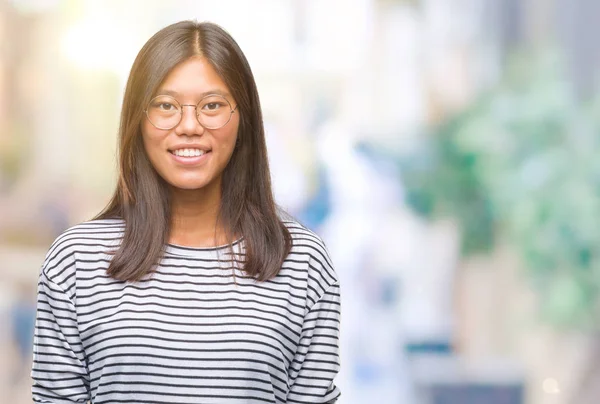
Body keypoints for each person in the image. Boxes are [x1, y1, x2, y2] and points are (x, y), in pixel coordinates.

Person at [31, 20, 341, 404]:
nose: (189, 125)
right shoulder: (75, 261)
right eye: (165, 105)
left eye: (212, 105)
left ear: (243, 119)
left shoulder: (303, 262)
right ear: (137, 120)